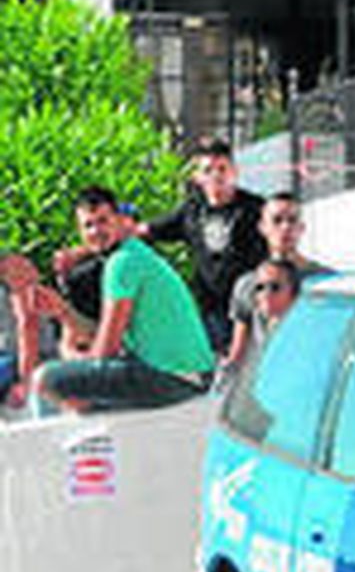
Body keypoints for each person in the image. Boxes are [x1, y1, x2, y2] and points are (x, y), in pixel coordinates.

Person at [32, 187, 215, 413]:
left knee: (44, 379)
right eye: (88, 225)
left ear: (118, 221)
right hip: (187, 377)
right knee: (75, 390)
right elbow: (103, 337)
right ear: (80, 232)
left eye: (103, 221)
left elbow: (104, 352)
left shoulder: (122, 263)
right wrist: (62, 312)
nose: (96, 231)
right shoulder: (132, 254)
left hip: (175, 379)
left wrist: (71, 355)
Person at [133, 137, 268, 355]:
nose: (216, 176)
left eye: (222, 169)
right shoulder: (192, 211)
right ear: (197, 177)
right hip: (210, 311)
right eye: (208, 170)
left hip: (249, 310)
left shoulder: (255, 209)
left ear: (234, 171)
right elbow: (147, 230)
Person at [220, 192, 330, 372]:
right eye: (277, 220)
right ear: (262, 227)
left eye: (292, 220)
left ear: (301, 228)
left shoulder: (324, 282)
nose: (285, 227)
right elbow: (238, 352)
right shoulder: (247, 284)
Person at [1, 253, 94, 410]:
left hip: (31, 360)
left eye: (25, 268)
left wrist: (26, 382)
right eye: (14, 271)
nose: (22, 274)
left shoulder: (31, 295)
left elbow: (29, 331)